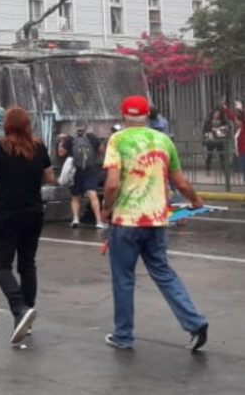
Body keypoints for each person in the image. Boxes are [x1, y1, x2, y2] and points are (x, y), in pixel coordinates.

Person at [100, 95, 208, 351]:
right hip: (157, 220)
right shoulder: (163, 140)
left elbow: (112, 183)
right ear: (148, 114)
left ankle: (123, 336)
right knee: (163, 272)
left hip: (126, 221)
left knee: (124, 278)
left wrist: (106, 209)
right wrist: (195, 200)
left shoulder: (118, 139)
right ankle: (195, 322)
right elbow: (181, 182)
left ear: (123, 115)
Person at [0, 107, 55, 345]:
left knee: (1, 265)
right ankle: (26, 319)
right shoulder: (39, 146)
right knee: (27, 264)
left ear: (6, 125)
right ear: (27, 125)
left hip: (7, 213)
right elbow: (50, 177)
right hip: (33, 212)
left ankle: (19, 308)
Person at [59, 121, 107, 229]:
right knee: (92, 195)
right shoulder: (92, 136)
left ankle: (75, 219)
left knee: (75, 196)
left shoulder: (70, 138)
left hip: (75, 171)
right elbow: (102, 150)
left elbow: (61, 153)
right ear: (86, 127)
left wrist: (62, 141)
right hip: (90, 170)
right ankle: (99, 221)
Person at [203, 108, 230, 173]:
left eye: (218, 114)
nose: (217, 115)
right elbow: (205, 129)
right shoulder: (209, 120)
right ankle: (207, 169)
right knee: (210, 155)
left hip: (219, 140)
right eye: (216, 113)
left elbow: (228, 127)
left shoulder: (223, 121)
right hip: (211, 140)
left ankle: (224, 170)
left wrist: (222, 129)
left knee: (222, 155)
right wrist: (212, 129)